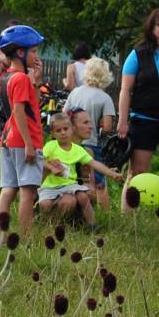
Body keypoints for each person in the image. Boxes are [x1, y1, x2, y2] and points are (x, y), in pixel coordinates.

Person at [117, 7, 159, 215]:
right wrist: (122, 121)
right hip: (142, 120)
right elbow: (125, 90)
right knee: (137, 172)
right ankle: (128, 217)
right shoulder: (137, 54)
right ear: (151, 28)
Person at [0, 24, 47, 240]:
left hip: (8, 139)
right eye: (33, 51)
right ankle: (26, 238)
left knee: (8, 190)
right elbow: (19, 111)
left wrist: (37, 82)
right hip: (24, 140)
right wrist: (29, 145)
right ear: (20, 52)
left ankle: (0, 235)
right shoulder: (22, 79)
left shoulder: (9, 77)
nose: (36, 55)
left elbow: (32, 105)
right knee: (28, 192)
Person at [40, 110, 121, 227]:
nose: (63, 133)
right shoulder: (51, 146)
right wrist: (51, 167)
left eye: (65, 129)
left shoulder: (79, 150)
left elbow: (94, 164)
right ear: (52, 133)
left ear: (71, 129)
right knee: (45, 204)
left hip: (69, 185)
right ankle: (47, 223)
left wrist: (111, 173)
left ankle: (92, 225)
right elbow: (40, 160)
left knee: (82, 197)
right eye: (58, 130)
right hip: (49, 186)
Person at [65, 56, 120, 207]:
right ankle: (104, 213)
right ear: (106, 75)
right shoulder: (105, 98)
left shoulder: (75, 92)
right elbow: (107, 127)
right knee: (98, 181)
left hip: (71, 143)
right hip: (91, 143)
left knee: (73, 178)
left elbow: (64, 116)